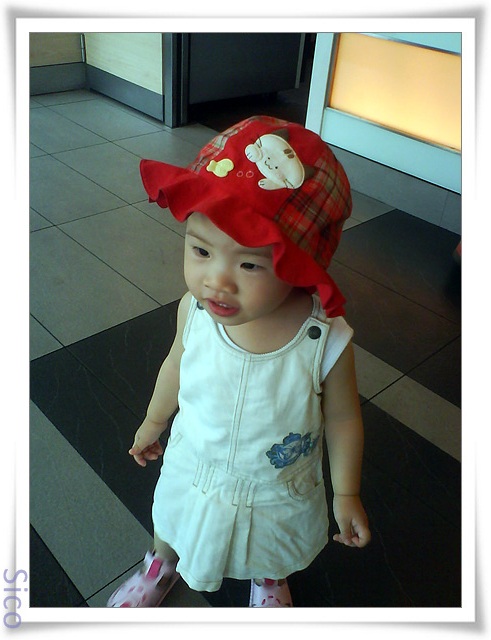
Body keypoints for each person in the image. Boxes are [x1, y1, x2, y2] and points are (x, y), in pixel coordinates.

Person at [107, 115, 371, 609]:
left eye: (249, 263)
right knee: (176, 516)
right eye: (201, 250)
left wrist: (346, 492)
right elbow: (176, 364)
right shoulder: (195, 311)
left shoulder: (325, 339)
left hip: (275, 484)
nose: (217, 281)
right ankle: (161, 563)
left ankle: (268, 578)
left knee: (270, 538)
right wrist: (153, 421)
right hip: (196, 460)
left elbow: (342, 418)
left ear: (298, 266)